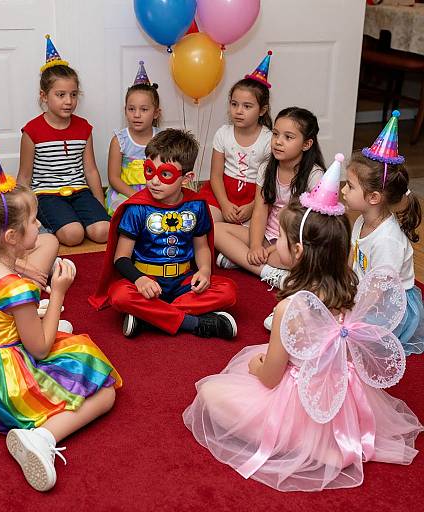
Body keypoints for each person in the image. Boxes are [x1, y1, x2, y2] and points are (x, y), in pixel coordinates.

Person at [183, 185, 423, 491]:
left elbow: (270, 378)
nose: (275, 243)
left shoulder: (290, 308)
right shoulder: (350, 289)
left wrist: (257, 366)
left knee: (210, 395)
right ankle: (330, 439)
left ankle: (310, 443)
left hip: (301, 396)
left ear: (297, 251)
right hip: (340, 392)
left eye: (280, 237)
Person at [0, 137, 121, 492]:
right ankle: (42, 439)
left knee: (59, 332)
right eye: (35, 221)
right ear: (9, 236)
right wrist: (59, 295)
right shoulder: (17, 287)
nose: (40, 226)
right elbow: (38, 349)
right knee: (103, 386)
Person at [90, 129, 238, 340]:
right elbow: (121, 258)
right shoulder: (137, 208)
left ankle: (149, 317)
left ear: (186, 178)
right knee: (120, 295)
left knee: (228, 291)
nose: (154, 181)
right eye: (149, 171)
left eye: (165, 174)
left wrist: (204, 270)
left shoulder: (195, 206)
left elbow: (202, 246)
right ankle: (194, 322)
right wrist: (139, 279)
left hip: (184, 282)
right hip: (146, 281)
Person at [213, 107, 324, 290]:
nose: (278, 142)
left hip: (295, 243)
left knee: (308, 262)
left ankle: (244, 261)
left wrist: (276, 248)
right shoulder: (267, 168)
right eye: (275, 134)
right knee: (216, 230)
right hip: (267, 236)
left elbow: (314, 226)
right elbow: (259, 211)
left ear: (307, 144)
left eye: (288, 137)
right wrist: (256, 245)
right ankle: (269, 272)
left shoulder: (315, 176)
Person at [342, 110, 424, 356]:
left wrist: (349, 310)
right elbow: (352, 260)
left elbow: (379, 294)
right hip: (365, 293)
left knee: (349, 340)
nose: (343, 190)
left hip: (387, 305)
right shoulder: (360, 220)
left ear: (374, 197)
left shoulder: (387, 240)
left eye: (350, 185)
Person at [18, 35, 110, 246]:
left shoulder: (84, 127)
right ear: (44, 96)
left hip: (79, 191)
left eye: (73, 94)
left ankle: (81, 219)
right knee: (73, 235)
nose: (68, 101)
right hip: (47, 194)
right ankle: (61, 222)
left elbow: (91, 171)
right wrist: (25, 213)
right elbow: (24, 176)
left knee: (103, 231)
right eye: (60, 95)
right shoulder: (32, 131)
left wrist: (100, 204)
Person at [199, 52, 272, 228]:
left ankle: (228, 254)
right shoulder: (223, 134)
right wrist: (224, 204)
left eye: (247, 106)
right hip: (222, 191)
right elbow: (215, 176)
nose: (239, 111)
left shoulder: (269, 139)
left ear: (262, 110)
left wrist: (253, 206)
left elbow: (270, 183)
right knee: (205, 224)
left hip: (255, 196)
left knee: (253, 230)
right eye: (234, 104)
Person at [105, 60, 161, 216]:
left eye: (144, 109)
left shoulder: (161, 139)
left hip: (156, 189)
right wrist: (137, 196)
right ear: (125, 110)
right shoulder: (119, 140)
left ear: (156, 113)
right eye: (131, 109)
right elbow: (114, 178)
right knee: (131, 213)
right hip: (126, 191)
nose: (136, 115)